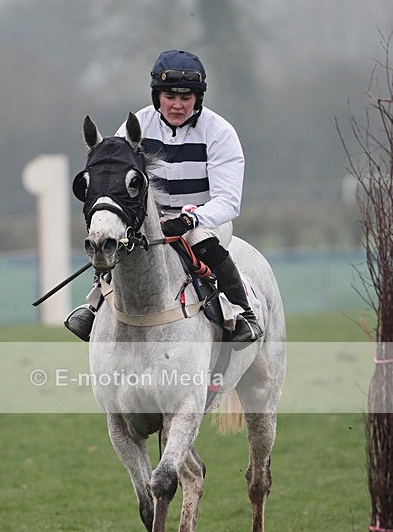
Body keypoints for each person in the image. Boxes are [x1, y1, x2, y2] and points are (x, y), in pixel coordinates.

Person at [65, 49, 262, 343]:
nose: (178, 105)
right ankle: (94, 304)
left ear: (198, 99)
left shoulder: (220, 132)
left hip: (203, 221)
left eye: (186, 98)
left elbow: (229, 202)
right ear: (158, 97)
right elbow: (119, 186)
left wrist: (189, 219)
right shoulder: (136, 127)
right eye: (170, 97)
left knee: (201, 241)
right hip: (150, 219)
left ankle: (243, 311)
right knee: (116, 238)